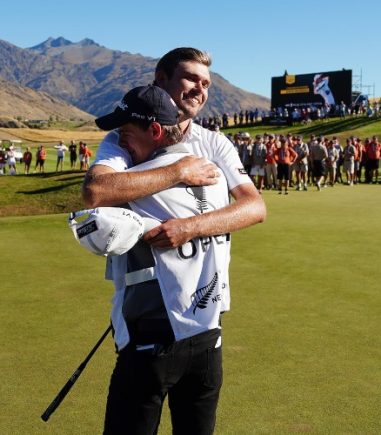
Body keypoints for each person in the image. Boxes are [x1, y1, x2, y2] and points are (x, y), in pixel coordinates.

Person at [82, 48, 266, 434]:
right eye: (190, 79)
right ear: (160, 80)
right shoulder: (123, 137)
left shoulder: (214, 144)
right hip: (150, 319)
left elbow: (254, 208)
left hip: (203, 324)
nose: (200, 89)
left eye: (206, 83)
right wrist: (179, 170)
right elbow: (97, 190)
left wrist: (188, 228)